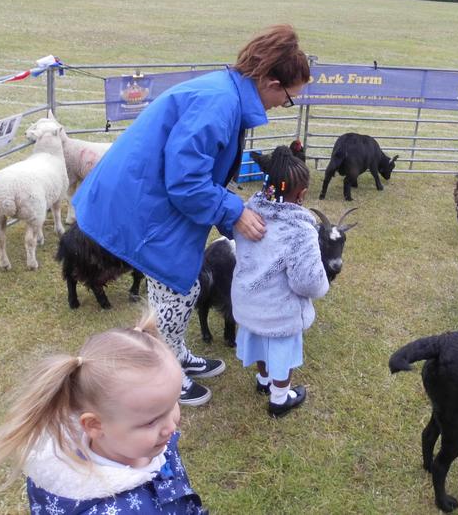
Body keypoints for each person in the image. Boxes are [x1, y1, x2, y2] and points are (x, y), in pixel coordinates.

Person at [72, 25, 311, 406]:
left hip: (151, 196)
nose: (283, 104)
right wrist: (233, 212)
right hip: (140, 203)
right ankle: (164, 371)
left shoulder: (225, 94)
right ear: (270, 82)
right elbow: (186, 182)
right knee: (174, 292)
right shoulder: (219, 104)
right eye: (287, 98)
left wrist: (229, 209)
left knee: (187, 286)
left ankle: (176, 353)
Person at [0, 314, 207, 514]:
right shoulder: (103, 506)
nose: (171, 426)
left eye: (173, 404)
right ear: (94, 425)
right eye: (151, 421)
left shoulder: (144, 441)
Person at [231, 146, 330, 417]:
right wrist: (322, 285)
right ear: (302, 194)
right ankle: (279, 399)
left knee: (258, 339)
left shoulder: (247, 215)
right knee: (281, 352)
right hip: (279, 311)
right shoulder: (300, 230)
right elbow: (307, 281)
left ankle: (263, 380)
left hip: (249, 302)